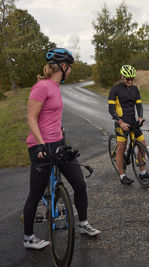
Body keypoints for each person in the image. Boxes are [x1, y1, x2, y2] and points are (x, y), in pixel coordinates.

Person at [24, 48, 100, 249]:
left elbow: (51, 115)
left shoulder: (56, 87)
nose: (71, 71)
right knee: (35, 192)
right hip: (40, 145)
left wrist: (60, 129)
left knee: (80, 184)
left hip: (58, 143)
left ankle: (83, 223)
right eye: (70, 67)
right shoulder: (41, 87)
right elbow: (31, 118)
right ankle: (28, 238)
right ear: (63, 67)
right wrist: (41, 143)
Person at [108, 65, 149, 185]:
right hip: (121, 123)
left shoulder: (135, 89)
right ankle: (122, 176)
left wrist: (140, 118)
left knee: (142, 145)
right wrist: (121, 122)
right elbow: (111, 110)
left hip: (133, 122)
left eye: (132, 79)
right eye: (127, 79)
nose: (129, 81)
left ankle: (142, 172)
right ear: (122, 77)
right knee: (122, 148)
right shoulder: (115, 89)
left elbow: (139, 105)